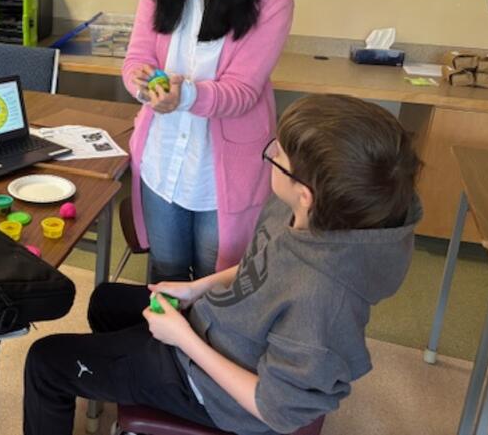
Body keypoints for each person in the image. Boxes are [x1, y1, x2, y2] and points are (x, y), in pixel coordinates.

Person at [24, 94, 422, 435]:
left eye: (278, 154)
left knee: (45, 362)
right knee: (106, 301)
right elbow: (261, 268)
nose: (270, 155)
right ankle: (120, 375)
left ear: (306, 194)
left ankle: (135, 374)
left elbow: (276, 409)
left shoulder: (323, 301)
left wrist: (183, 339)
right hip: (218, 328)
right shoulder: (312, 214)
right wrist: (196, 288)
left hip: (215, 392)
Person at [122, 0, 294, 282]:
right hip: (162, 159)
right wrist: (142, 84)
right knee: (166, 273)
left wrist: (186, 95)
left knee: (216, 282)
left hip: (223, 172)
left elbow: (243, 91)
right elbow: (138, 56)